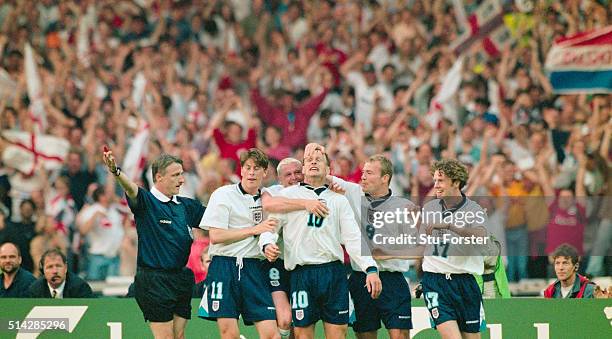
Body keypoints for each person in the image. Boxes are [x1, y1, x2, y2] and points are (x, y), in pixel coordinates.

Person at [260, 147, 382, 339]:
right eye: (309, 160)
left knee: (337, 335)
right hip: (302, 274)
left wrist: (371, 268)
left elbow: (353, 238)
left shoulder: (338, 200)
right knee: (302, 335)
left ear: (328, 169)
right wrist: (267, 244)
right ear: (304, 168)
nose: (314, 162)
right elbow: (270, 228)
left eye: (319, 159)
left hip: (333, 274)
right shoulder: (288, 197)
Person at [102, 149, 206, 339]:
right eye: (175, 175)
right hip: (154, 280)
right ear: (159, 177)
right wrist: (116, 172)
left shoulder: (186, 206)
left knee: (179, 336)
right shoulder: (147, 202)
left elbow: (216, 218)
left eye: (181, 174)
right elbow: (131, 188)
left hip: (181, 278)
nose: (181, 180)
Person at [198, 148, 280, 339]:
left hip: (254, 267)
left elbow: (269, 232)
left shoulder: (268, 199)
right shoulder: (223, 194)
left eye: (257, 168)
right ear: (241, 170)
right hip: (224, 266)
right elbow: (215, 236)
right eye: (248, 167)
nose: (252, 172)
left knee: (271, 335)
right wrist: (254, 230)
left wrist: (269, 247)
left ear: (265, 172)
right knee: (229, 334)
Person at [337, 154, 415, 339]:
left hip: (393, 280)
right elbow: (326, 178)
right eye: (363, 172)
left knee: (400, 336)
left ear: (385, 178)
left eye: (369, 173)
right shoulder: (354, 193)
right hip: (360, 278)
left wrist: (378, 252)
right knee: (365, 335)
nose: (362, 176)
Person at [420, 159, 489, 339]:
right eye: (434, 181)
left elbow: (481, 236)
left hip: (465, 283)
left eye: (440, 181)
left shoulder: (474, 210)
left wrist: (451, 226)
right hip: (435, 282)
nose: (436, 185)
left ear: (456, 182)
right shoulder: (429, 208)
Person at [77, 185, 125, 281]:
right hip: (98, 256)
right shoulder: (92, 210)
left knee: (112, 291)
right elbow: (83, 231)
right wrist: (95, 216)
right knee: (95, 288)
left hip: (114, 257)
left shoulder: (114, 210)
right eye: (108, 193)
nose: (112, 195)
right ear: (101, 196)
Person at [25, 249, 93, 298]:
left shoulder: (80, 287)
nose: (55, 271)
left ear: (65, 268)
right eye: (50, 267)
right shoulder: (35, 290)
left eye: (58, 266)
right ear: (43, 271)